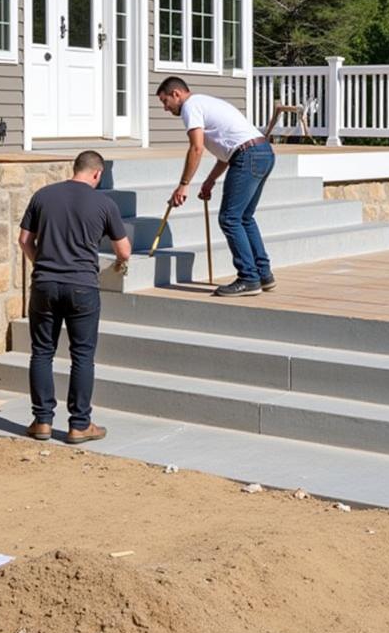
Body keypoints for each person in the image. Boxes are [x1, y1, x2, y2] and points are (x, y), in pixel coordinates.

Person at [18, 150, 130, 444]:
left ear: (75, 168)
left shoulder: (43, 195)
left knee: (42, 351)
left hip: (44, 284)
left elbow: (24, 241)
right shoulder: (104, 203)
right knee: (82, 356)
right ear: (97, 174)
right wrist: (118, 264)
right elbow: (125, 250)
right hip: (82, 287)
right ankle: (79, 424)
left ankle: (42, 421)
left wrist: (39, 264)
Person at [156, 76, 276, 297]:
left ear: (176, 94)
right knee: (244, 217)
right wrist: (210, 180)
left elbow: (196, 148)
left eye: (165, 101)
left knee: (229, 218)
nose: (165, 108)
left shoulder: (190, 107)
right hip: (262, 152)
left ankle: (249, 278)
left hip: (248, 155)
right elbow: (227, 151)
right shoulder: (206, 103)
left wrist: (183, 185)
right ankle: (263, 274)